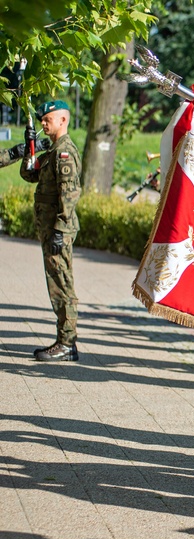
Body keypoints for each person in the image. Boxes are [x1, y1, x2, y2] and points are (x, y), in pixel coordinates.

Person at [21, 100, 82, 362]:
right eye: (42, 120)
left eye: (48, 119)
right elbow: (29, 174)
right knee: (57, 282)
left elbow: (70, 194)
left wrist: (59, 228)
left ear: (63, 121)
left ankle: (66, 344)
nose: (44, 123)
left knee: (61, 285)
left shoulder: (64, 152)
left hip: (59, 230)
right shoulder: (54, 150)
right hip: (50, 229)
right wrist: (29, 148)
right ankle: (66, 341)